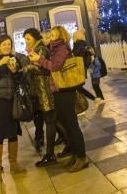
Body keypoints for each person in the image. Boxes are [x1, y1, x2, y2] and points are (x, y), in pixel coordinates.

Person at [29, 26, 88, 173]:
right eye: (50, 34)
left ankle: (81, 157)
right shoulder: (54, 49)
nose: (50, 36)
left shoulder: (61, 48)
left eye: (53, 34)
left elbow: (55, 67)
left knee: (72, 125)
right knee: (67, 125)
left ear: (60, 36)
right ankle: (75, 154)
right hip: (58, 90)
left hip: (65, 91)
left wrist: (40, 60)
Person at [0, 35, 30, 184]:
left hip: (12, 99)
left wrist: (15, 71)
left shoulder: (14, 59)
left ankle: (14, 164)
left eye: (9, 44)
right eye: (4, 44)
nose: (7, 46)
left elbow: (20, 79)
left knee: (13, 131)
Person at [23, 28, 58, 165]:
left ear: (36, 39)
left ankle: (50, 154)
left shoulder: (41, 49)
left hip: (45, 90)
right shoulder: (34, 50)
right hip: (38, 91)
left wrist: (25, 68)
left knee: (51, 122)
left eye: (28, 39)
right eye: (25, 39)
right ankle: (66, 146)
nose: (26, 41)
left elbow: (42, 69)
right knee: (52, 121)